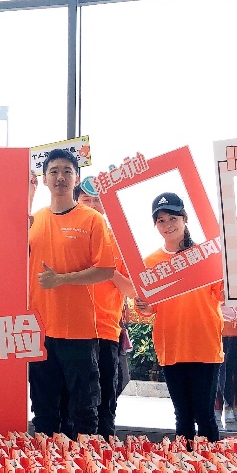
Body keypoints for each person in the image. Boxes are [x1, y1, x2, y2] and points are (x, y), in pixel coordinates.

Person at [27, 149, 117, 439]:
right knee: (43, 411)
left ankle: (84, 467)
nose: (60, 177)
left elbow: (105, 270)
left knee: (84, 412)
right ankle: (44, 466)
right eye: (53, 171)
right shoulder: (34, 221)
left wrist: (61, 280)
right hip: (40, 330)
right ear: (44, 179)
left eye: (67, 171)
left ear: (76, 178)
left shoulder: (92, 219)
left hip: (79, 331)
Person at [135, 194, 223, 443]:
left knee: (205, 416)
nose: (167, 225)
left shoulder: (206, 256)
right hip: (171, 346)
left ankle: (210, 466)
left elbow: (222, 293)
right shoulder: (150, 262)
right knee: (183, 416)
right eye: (161, 220)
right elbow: (148, 309)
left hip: (204, 345)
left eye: (173, 218)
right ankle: (185, 467)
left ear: (185, 219)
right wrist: (143, 305)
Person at [75, 186, 136, 437]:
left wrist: (105, 268)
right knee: (72, 408)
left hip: (105, 332)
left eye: (97, 201)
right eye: (86, 200)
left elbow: (131, 289)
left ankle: (104, 456)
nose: (92, 206)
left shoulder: (119, 242)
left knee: (105, 407)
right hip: (69, 334)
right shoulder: (66, 238)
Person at [219, 306, 237, 433]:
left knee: (236, 373)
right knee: (220, 373)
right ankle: (221, 409)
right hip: (218, 330)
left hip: (236, 331)